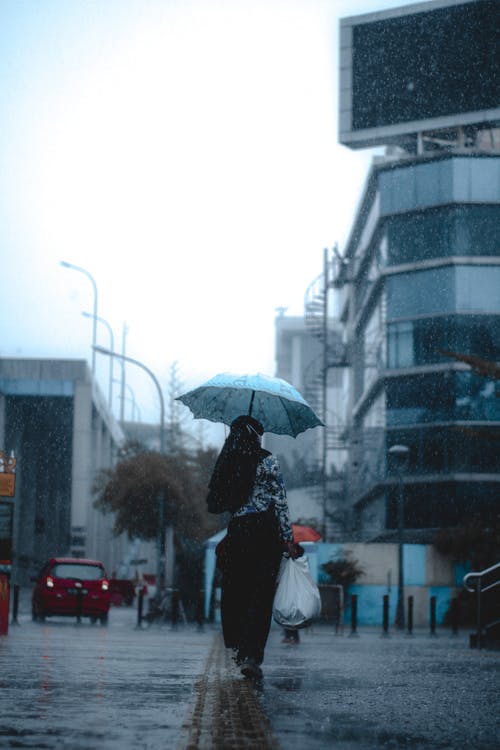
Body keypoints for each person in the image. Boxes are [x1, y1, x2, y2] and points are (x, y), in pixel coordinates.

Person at [208, 414, 302, 679]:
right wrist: (288, 538)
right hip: (265, 533)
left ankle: (238, 646)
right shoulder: (267, 460)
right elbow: (280, 501)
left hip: (238, 532)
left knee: (237, 591)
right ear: (255, 434)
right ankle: (252, 655)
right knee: (260, 596)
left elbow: (217, 501)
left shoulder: (228, 461)